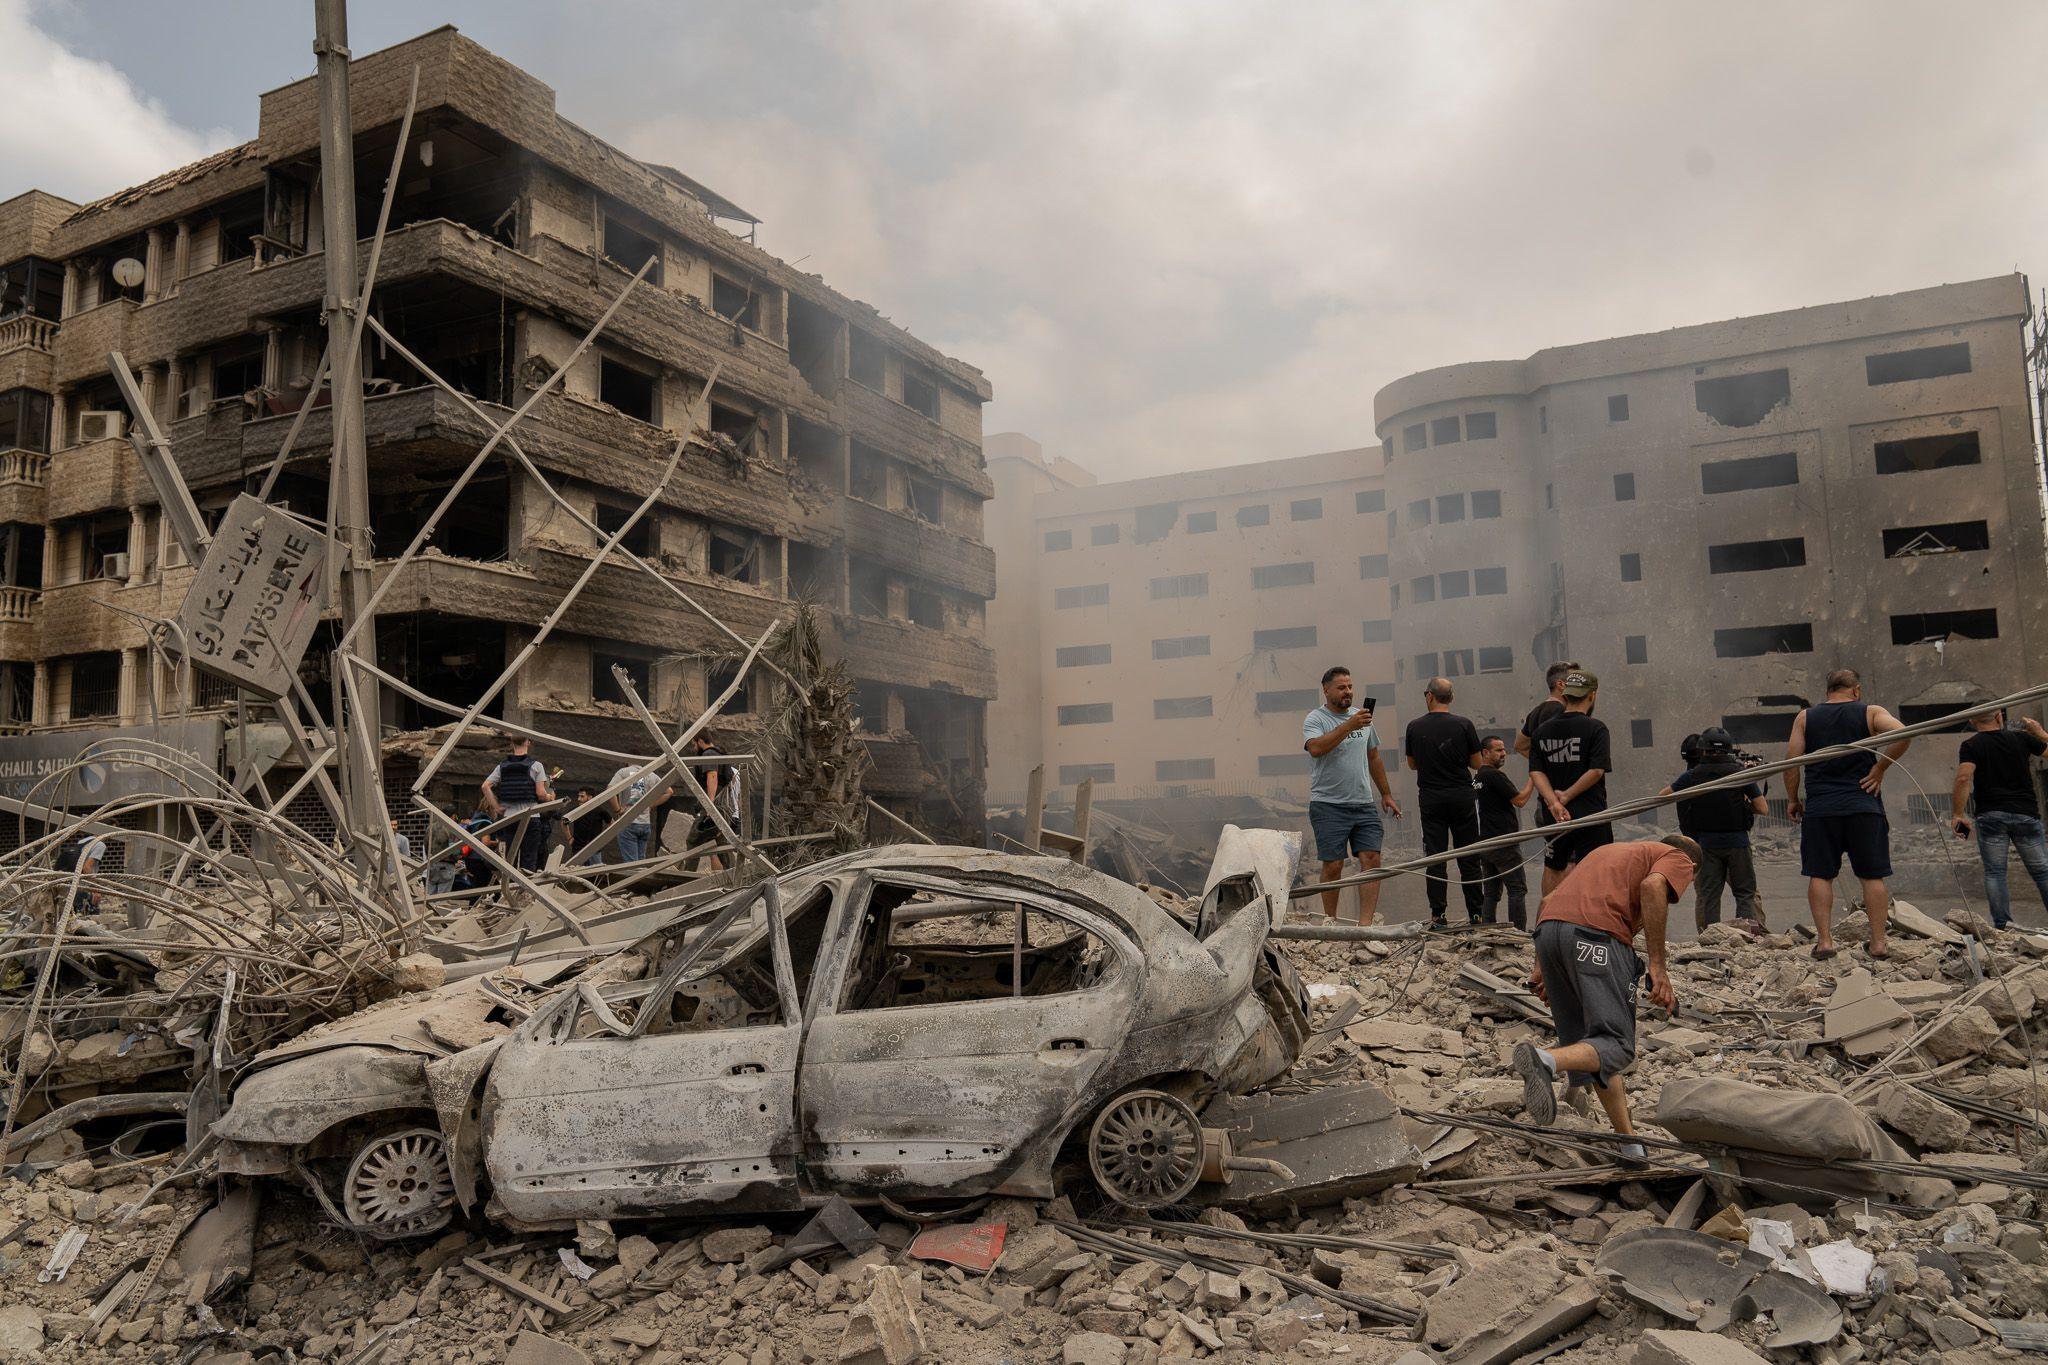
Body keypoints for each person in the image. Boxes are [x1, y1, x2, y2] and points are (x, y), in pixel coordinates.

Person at [1512, 835, 1703, 1161]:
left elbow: (1548, 901)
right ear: (1692, 868)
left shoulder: (1607, 853)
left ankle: (1629, 1144)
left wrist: (1541, 967)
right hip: (1595, 937)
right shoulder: (1677, 856)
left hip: (1549, 934)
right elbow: (1653, 888)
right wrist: (1658, 965)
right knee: (1617, 1043)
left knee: (1594, 1048)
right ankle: (1546, 1061)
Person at [1786, 669, 1909, 960]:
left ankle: (1825, 942)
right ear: (1856, 690)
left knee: (1820, 874)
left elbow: (1791, 762)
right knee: (1872, 876)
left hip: (1821, 809)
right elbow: (1904, 733)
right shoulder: (1870, 712)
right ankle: (1879, 944)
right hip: (1863, 807)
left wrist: (1793, 799)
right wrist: (1878, 770)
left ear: (1828, 690)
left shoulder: (1805, 717)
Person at [1302, 666, 1403, 923]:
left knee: (1371, 858)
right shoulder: (1316, 719)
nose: (1348, 692)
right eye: (1341, 687)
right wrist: (1348, 726)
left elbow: (1374, 757)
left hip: (1363, 803)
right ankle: (1331, 920)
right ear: (1326, 690)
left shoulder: (1362, 717)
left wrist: (1386, 794)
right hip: (1328, 804)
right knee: (1334, 864)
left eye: (1350, 687)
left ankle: (1365, 925)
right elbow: (1315, 748)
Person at [1662, 727, 1768, 931]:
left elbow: (1663, 795)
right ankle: (1747, 937)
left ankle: (1711, 940)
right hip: (1738, 843)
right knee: (1745, 893)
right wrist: (1742, 804)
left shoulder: (1692, 776)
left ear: (1702, 750)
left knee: (1709, 896)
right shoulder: (1739, 773)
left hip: (1706, 846)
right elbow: (1763, 808)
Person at [1951, 709, 2048, 929]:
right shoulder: (2022, 738)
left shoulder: (1971, 745)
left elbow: (1964, 777)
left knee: (1995, 872)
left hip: (1991, 815)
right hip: (2025, 814)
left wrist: (1958, 814)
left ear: (1972, 721)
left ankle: (2003, 925)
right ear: (1999, 716)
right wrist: (2041, 733)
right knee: (2042, 871)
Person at [1404, 677, 1485, 926]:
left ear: (1429, 696)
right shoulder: (1464, 725)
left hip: (1431, 799)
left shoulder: (1414, 727)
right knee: (1469, 856)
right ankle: (1476, 915)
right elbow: (1477, 763)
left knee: (1436, 858)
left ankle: (1438, 916)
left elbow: (1412, 764)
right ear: (1451, 698)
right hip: (1461, 796)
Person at [1530, 670, 1612, 898]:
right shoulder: (1596, 728)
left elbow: (1536, 772)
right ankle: (1590, 922)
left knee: (1554, 864)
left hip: (1555, 816)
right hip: (1590, 812)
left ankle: (1547, 918)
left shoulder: (1541, 731)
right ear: (1592, 696)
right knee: (1595, 865)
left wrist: (1553, 803)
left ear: (1565, 695)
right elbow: (1596, 770)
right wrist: (1565, 796)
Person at [1474, 736, 1536, 928]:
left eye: (1504, 750)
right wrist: (1535, 777)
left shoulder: (1478, 777)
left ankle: (1488, 929)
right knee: (1517, 889)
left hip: (1486, 843)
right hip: (1504, 843)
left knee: (1491, 891)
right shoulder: (1494, 775)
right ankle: (1518, 932)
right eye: (1498, 750)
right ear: (1485, 752)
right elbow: (1520, 800)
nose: (1504, 754)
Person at [481, 735, 554, 873]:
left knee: (511, 859)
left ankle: (511, 888)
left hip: (510, 818)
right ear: (528, 742)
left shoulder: (501, 767)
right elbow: (540, 794)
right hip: (530, 817)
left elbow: (485, 786)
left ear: (511, 743)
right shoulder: (536, 766)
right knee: (529, 859)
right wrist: (549, 797)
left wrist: (497, 807)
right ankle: (525, 893)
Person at [684, 732, 741, 873]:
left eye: (694, 744)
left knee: (693, 840)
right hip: (724, 808)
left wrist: (709, 805)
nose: (693, 748)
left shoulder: (708, 754)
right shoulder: (720, 754)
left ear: (701, 741)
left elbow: (712, 775)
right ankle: (734, 875)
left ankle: (687, 877)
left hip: (715, 806)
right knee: (721, 842)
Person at [608, 763, 672, 864]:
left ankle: (634, 880)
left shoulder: (623, 772)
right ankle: (640, 879)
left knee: (631, 864)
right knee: (640, 863)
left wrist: (618, 810)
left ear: (627, 761)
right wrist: (651, 805)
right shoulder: (651, 774)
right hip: (645, 824)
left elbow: (610, 790)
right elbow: (669, 792)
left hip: (628, 822)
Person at [569, 786, 611, 864]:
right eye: (578, 796)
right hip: (578, 848)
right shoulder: (575, 811)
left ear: (590, 797)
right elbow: (563, 822)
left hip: (594, 849)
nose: (578, 799)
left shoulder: (599, 810)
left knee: (596, 872)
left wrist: (603, 838)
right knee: (576, 871)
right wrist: (569, 838)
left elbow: (611, 823)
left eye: (582, 796)